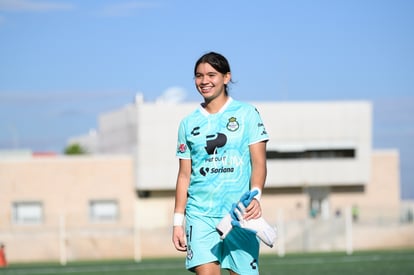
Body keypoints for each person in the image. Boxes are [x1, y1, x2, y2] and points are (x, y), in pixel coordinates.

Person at [172, 52, 269, 275]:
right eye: (199, 76)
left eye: (211, 75)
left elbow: (259, 162)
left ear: (226, 77)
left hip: (240, 214)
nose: (204, 81)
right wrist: (178, 221)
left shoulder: (247, 114)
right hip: (200, 214)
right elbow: (184, 175)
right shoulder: (188, 124)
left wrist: (255, 196)